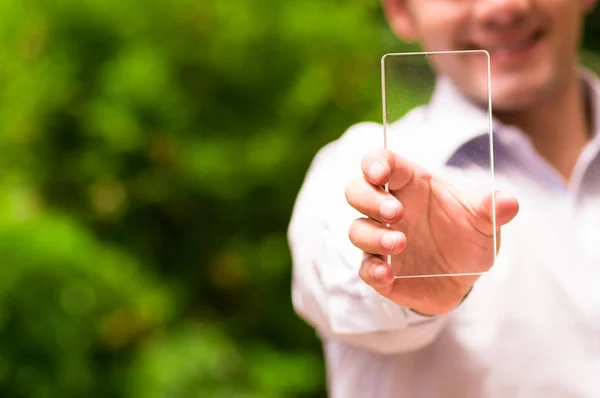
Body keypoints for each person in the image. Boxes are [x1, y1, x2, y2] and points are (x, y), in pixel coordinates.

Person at [288, 0, 600, 397]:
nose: (501, 7)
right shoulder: (361, 169)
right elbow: (337, 274)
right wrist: (391, 272)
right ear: (401, 10)